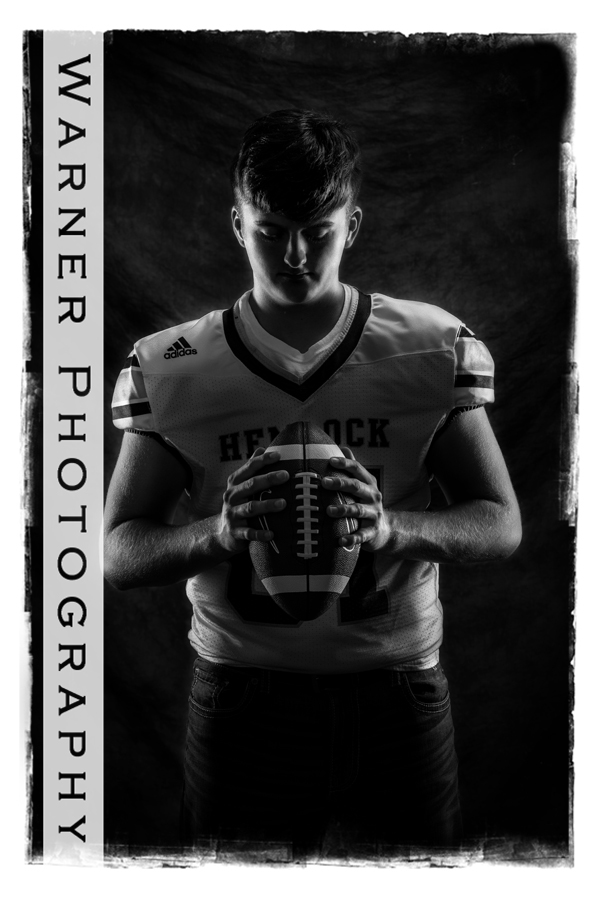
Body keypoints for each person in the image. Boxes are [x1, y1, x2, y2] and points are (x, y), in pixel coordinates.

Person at [104, 108, 522, 858]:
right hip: (242, 700)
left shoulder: (427, 346)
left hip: (399, 695)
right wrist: (219, 533)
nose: (295, 254)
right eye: (270, 230)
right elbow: (118, 553)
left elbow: (501, 521)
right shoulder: (172, 366)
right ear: (237, 223)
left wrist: (396, 528)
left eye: (318, 229)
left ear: (352, 225)